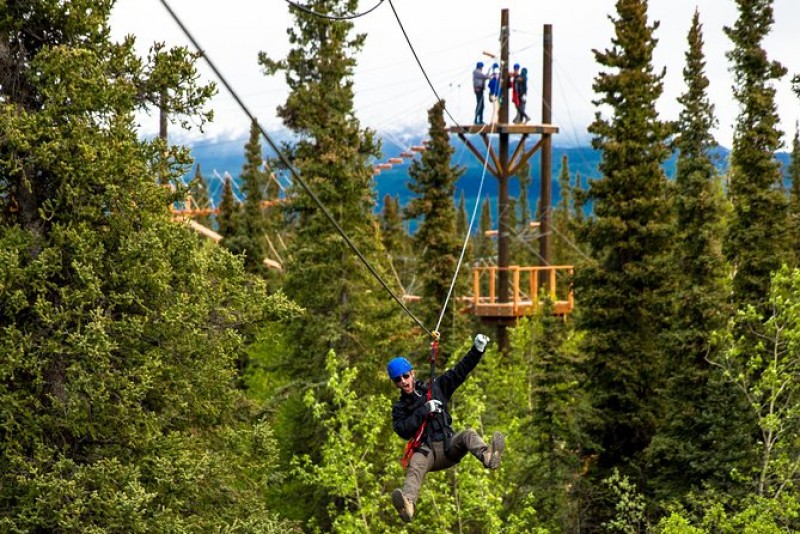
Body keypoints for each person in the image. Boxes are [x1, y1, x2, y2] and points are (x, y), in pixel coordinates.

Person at [387, 334, 505, 523]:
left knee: (468, 434)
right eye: (398, 380)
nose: (403, 381)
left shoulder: (436, 388)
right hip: (427, 453)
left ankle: (488, 457)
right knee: (415, 466)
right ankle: (408, 504)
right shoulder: (400, 408)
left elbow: (460, 371)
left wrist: (477, 350)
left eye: (405, 376)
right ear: (396, 384)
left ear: (412, 373)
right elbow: (403, 430)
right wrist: (425, 410)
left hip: (448, 446)